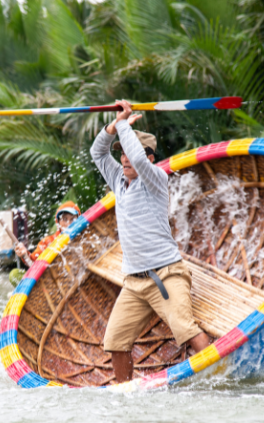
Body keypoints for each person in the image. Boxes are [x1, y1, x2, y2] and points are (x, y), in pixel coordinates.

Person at [90, 100, 210, 383]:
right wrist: (113, 126)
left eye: (133, 154)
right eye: (122, 155)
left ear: (151, 158)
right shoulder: (119, 180)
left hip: (167, 274)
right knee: (115, 340)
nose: (126, 160)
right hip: (134, 281)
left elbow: (139, 160)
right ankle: (125, 391)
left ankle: (220, 377)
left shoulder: (155, 178)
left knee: (185, 328)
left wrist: (123, 123)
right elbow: (98, 152)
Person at [14, 201, 80, 263]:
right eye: (65, 219)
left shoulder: (84, 238)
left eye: (73, 219)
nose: (69, 224)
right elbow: (33, 261)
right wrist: (25, 254)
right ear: (58, 222)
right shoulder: (48, 242)